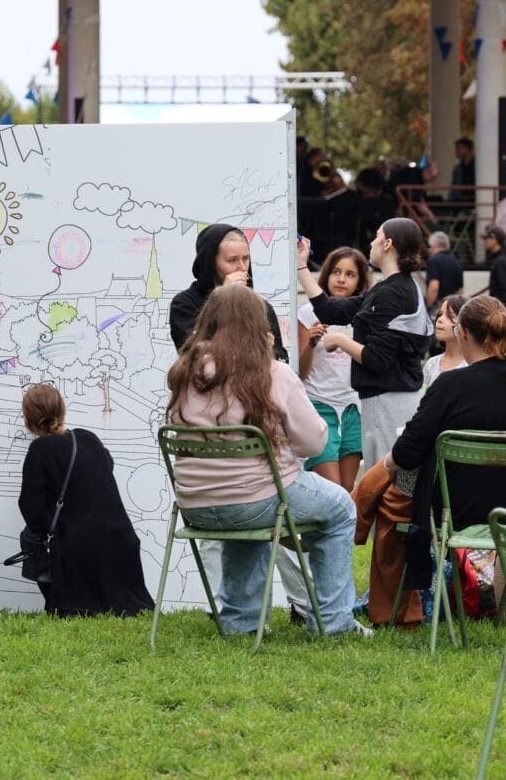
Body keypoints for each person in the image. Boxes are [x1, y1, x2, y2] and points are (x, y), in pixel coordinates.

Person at [166, 285, 365, 638]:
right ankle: (333, 624)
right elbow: (313, 441)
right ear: (259, 325)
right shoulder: (272, 372)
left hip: (195, 503)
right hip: (255, 500)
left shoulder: (185, 373)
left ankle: (242, 622)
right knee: (341, 509)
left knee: (252, 504)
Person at [357, 296, 506, 627]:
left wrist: (385, 469)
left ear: (462, 333)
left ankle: (396, 609)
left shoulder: (450, 384)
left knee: (390, 498)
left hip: (454, 512)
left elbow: (407, 452)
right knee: (386, 489)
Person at [299, 217, 433, 474]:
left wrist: (339, 340)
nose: (371, 242)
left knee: (384, 479)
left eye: (377, 236)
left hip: (389, 402)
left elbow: (377, 359)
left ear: (388, 244)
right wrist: (301, 266)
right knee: (383, 478)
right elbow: (331, 310)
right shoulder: (393, 288)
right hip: (386, 400)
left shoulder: (393, 292)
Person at [17, 384, 153, 617]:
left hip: (77, 548)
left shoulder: (39, 450)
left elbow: (32, 510)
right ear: (63, 410)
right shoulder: (88, 438)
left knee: (30, 536)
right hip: (121, 541)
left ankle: (60, 599)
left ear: (27, 419)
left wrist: (54, 526)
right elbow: (106, 469)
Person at [296, 247, 370, 492]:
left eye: (350, 274)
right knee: (333, 488)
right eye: (336, 272)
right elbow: (300, 373)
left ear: (360, 281)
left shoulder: (365, 314)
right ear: (326, 274)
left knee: (347, 489)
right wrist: (311, 343)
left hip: (353, 408)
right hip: (318, 406)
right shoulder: (307, 312)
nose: (341, 279)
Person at [169, 224, 288, 362]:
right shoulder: (184, 303)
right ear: (211, 263)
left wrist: (267, 350)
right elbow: (192, 352)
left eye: (245, 259)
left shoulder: (261, 307)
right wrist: (223, 299)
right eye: (232, 260)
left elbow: (281, 358)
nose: (242, 267)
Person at [422, 294, 467, 389]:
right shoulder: (431, 364)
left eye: (450, 316)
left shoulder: (471, 366)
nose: (440, 320)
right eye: (440, 314)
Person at [482, 225, 506, 314]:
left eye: (486, 238)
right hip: (501, 307)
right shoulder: (500, 258)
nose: (485, 241)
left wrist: (501, 310)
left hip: (501, 309)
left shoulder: (501, 261)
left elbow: (504, 288)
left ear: (494, 239)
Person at [424, 231, 464, 311]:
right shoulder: (455, 261)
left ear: (434, 246)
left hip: (438, 305)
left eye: (429, 246)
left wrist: (427, 306)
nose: (429, 250)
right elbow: (460, 289)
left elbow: (434, 287)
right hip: (453, 305)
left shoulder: (434, 261)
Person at [447, 138, 475, 204]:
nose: (456, 152)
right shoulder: (457, 168)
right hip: (459, 201)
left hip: (474, 201)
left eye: (458, 149)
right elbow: (454, 187)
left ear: (466, 149)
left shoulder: (477, 167)